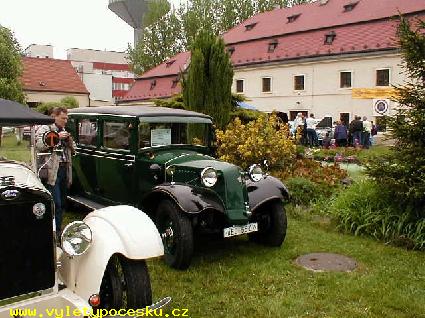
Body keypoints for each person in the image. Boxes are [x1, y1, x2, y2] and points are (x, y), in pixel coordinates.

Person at [36, 107, 75, 240]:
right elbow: (39, 145)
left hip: (64, 170)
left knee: (63, 203)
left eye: (67, 118)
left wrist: (69, 140)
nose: (66, 121)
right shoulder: (45, 129)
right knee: (55, 203)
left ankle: (58, 229)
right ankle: (52, 231)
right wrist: (57, 137)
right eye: (63, 118)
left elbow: (73, 150)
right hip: (52, 171)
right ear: (55, 116)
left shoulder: (64, 130)